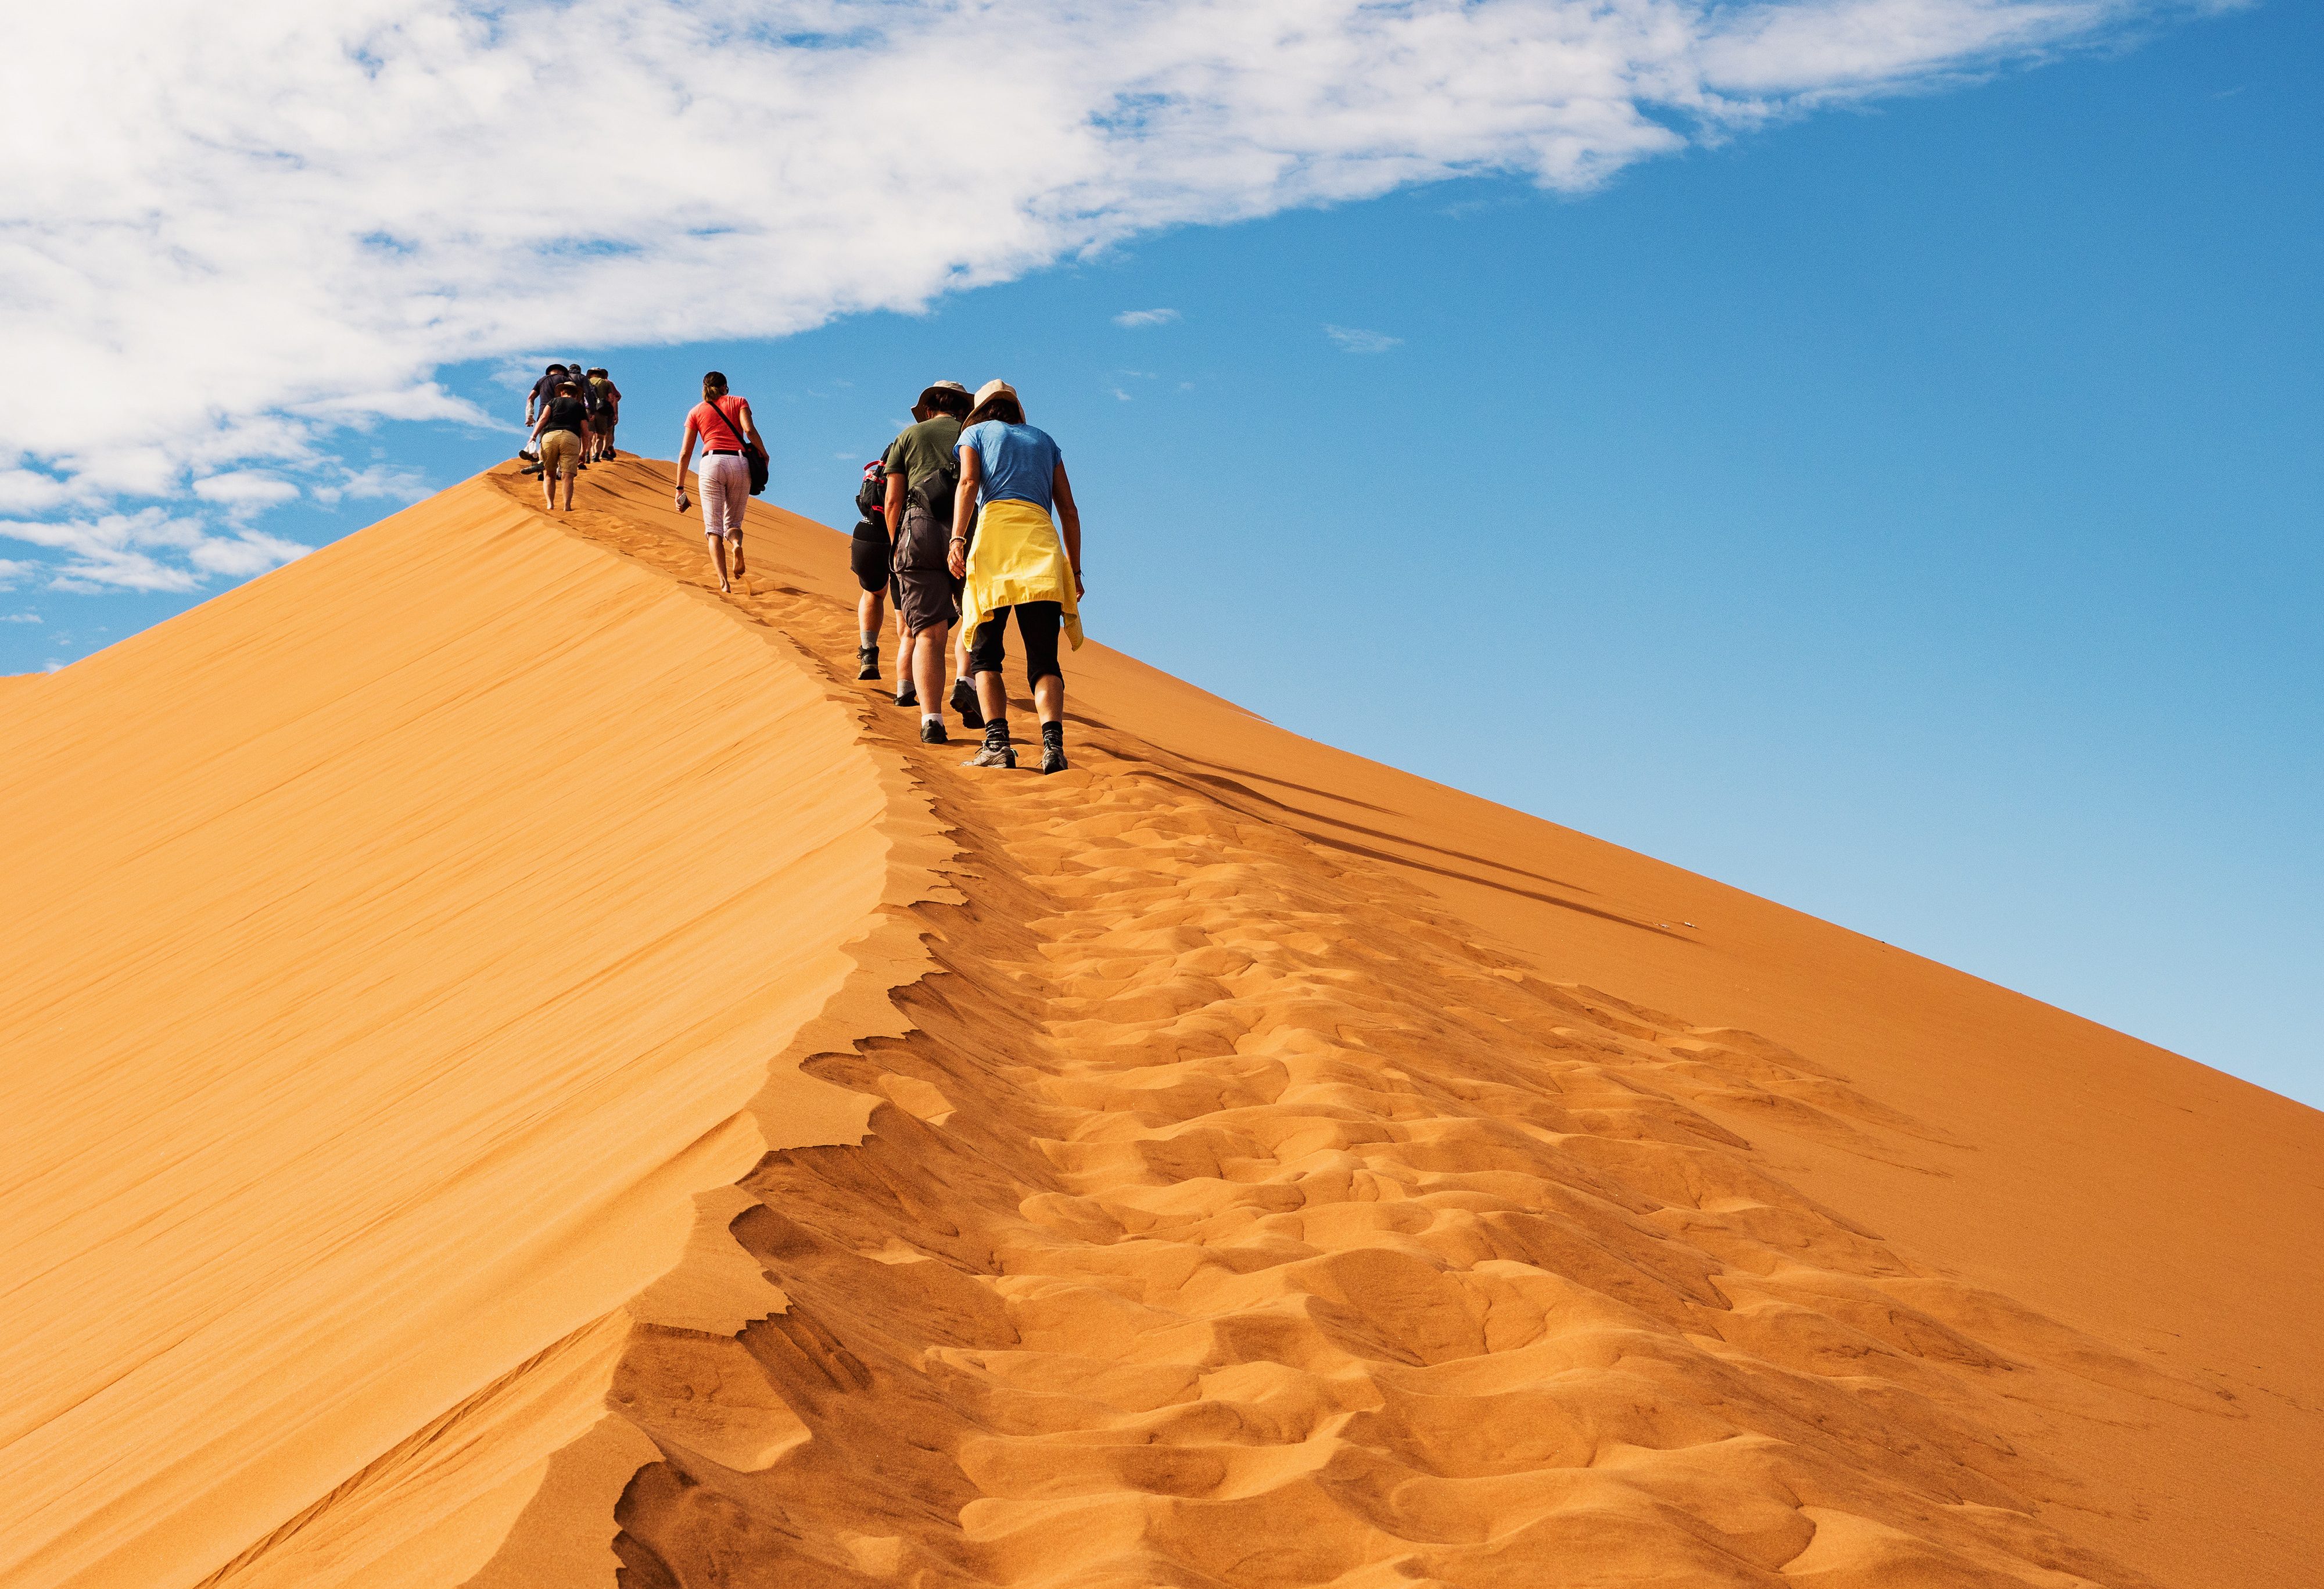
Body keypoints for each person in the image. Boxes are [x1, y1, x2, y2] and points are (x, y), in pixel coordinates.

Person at [949, 380, 1083, 773]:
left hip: (995, 548)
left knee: (986, 654)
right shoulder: (1045, 441)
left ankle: (996, 744)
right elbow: (1069, 510)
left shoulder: (974, 433)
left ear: (981, 411)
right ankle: (1053, 746)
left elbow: (969, 483)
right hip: (1041, 548)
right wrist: (1074, 569)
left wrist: (957, 537)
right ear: (1015, 410)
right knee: (1044, 660)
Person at [881, 379, 973, 740]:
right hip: (967, 530)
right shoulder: (973, 435)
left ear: (930, 409)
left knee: (928, 635)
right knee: (972, 616)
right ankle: (965, 680)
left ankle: (931, 720)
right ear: (962, 410)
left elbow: (892, 502)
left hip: (917, 529)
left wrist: (897, 547)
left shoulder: (909, 437)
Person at [673, 371, 764, 595]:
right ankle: (736, 545)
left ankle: (724, 583)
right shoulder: (739, 401)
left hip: (711, 462)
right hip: (740, 463)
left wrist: (680, 488)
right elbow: (749, 430)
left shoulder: (696, 411)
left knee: (713, 529)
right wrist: (763, 452)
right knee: (733, 524)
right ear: (725, 387)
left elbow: (686, 452)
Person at [528, 378, 590, 512]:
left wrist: (533, 437)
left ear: (562, 392)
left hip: (550, 437)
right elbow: (585, 432)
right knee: (568, 475)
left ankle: (550, 504)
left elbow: (543, 419)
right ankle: (567, 506)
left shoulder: (553, 402)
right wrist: (584, 452)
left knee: (549, 474)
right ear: (576, 395)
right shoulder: (579, 406)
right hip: (570, 438)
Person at [521, 363, 568, 464]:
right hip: (562, 415)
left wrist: (529, 416)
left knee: (544, 442)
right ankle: (557, 469)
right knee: (561, 443)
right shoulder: (566, 381)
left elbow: (530, 397)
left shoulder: (542, 380)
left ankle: (541, 467)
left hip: (543, 415)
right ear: (562, 372)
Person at [586, 367, 621, 461]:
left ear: (590, 374)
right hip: (601, 412)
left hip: (588, 411)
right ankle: (597, 456)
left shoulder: (585, 383)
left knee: (589, 435)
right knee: (600, 436)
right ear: (601, 374)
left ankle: (587, 456)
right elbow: (611, 398)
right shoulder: (606, 383)